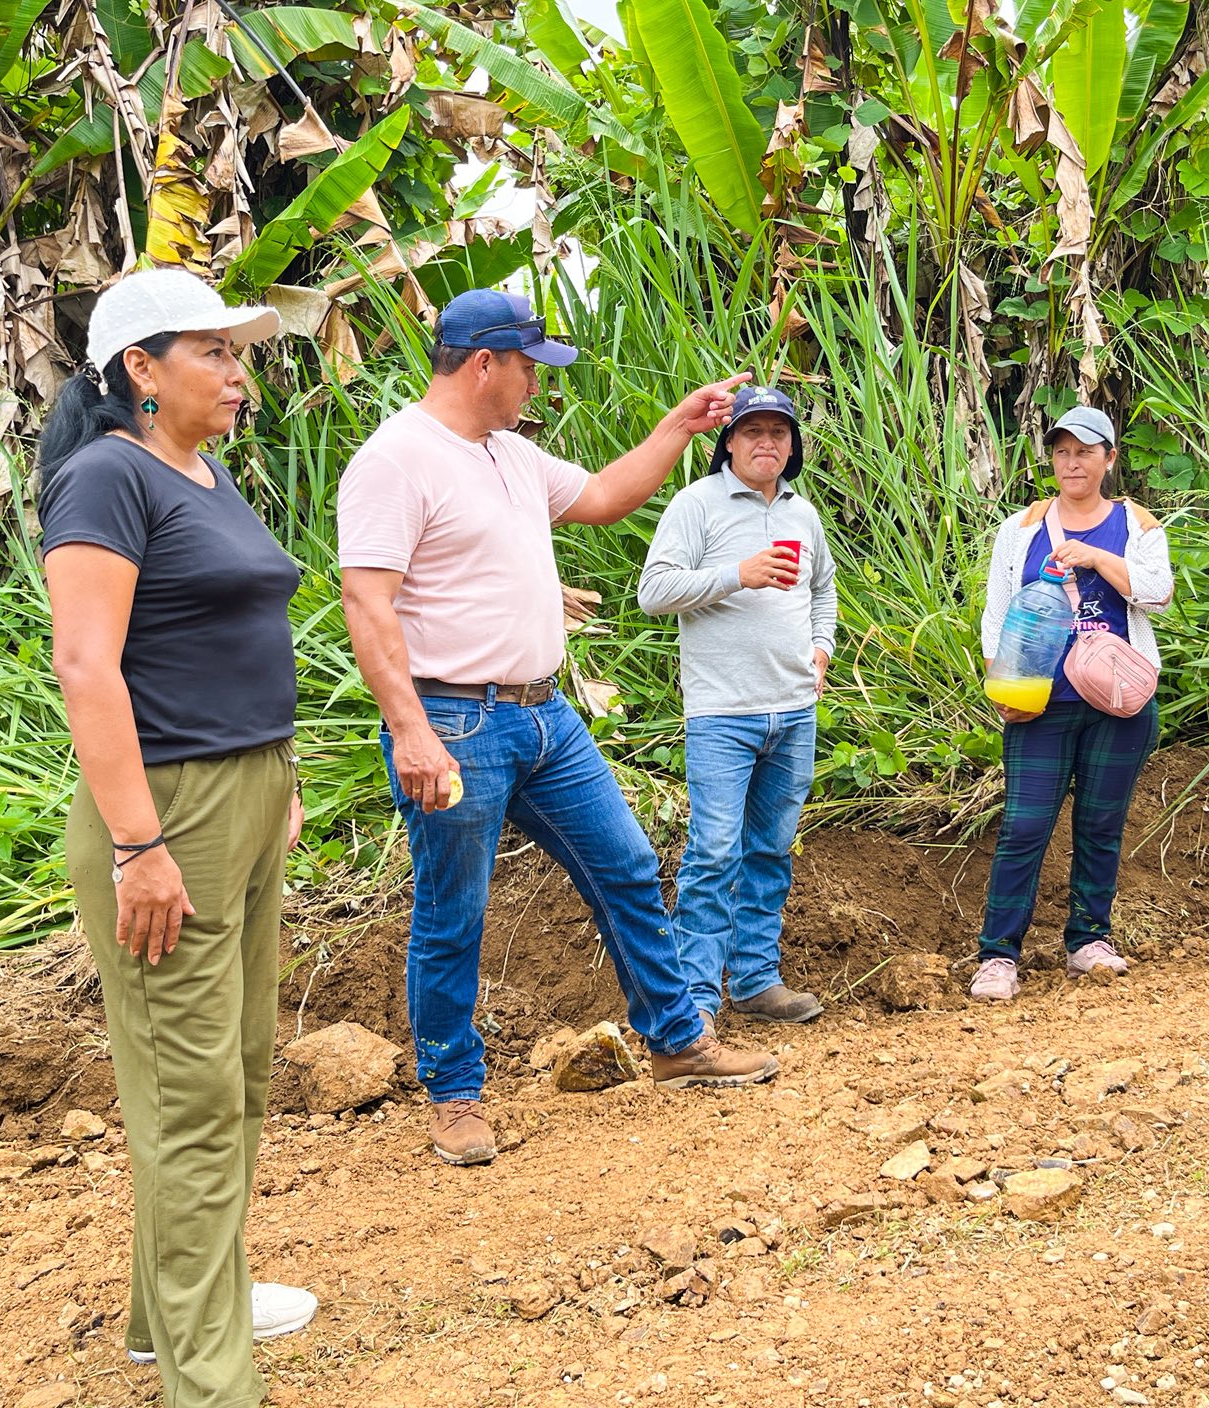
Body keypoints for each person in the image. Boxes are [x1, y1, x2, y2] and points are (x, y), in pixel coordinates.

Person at [336, 288, 779, 1169]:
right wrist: (410, 731)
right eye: (528, 367)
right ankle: (454, 1095)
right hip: (454, 720)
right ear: (483, 363)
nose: (537, 382)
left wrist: (678, 427)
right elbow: (366, 601)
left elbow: (606, 496)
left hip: (544, 715)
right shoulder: (396, 460)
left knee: (627, 865)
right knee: (453, 912)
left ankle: (676, 1041)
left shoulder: (509, 452)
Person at [38, 267, 316, 1407]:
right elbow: (85, 664)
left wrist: (274, 775)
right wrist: (136, 845)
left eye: (237, 351)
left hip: (243, 793)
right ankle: (211, 1378)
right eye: (215, 350)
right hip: (168, 811)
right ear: (140, 369)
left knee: (234, 1069)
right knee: (189, 1093)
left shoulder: (201, 472)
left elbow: (223, 634)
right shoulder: (106, 477)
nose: (238, 372)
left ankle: (171, 1313)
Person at [638, 385, 837, 1027]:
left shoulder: (804, 514)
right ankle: (695, 999)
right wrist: (737, 574)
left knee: (770, 851)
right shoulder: (697, 504)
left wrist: (822, 648)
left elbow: (824, 590)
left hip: (794, 710)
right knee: (714, 854)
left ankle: (755, 980)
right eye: (753, 431)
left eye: (779, 432)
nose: (766, 443)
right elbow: (653, 591)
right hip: (722, 712)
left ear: (792, 445)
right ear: (728, 442)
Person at [970, 406, 1174, 1002]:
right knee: (1024, 825)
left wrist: (1098, 558)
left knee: (1100, 824)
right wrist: (1002, 687)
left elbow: (1158, 595)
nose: (1072, 462)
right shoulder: (1022, 529)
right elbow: (997, 613)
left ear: (1109, 459)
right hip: (1041, 701)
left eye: (1085, 451)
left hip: (1118, 701)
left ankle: (1089, 940)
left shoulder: (1137, 526)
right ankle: (998, 954)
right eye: (1062, 451)